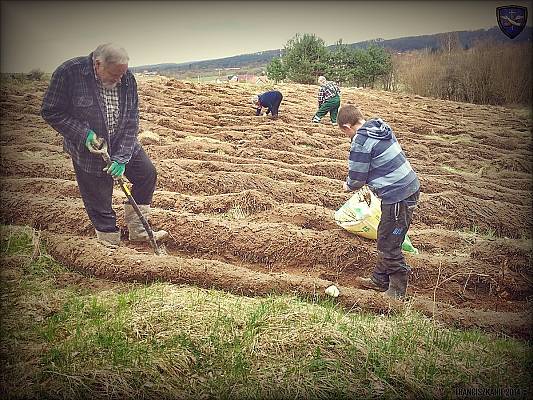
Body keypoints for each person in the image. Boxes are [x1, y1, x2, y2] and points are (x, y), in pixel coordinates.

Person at [41, 43, 168, 247]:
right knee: (99, 196)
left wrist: (121, 158)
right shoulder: (69, 73)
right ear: (98, 64)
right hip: (90, 149)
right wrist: (84, 134)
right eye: (114, 76)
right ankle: (110, 242)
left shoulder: (126, 78)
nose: (119, 80)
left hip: (122, 143)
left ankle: (139, 231)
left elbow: (131, 121)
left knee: (147, 174)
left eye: (122, 75)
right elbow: (51, 111)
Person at [337, 104, 420, 299]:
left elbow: (356, 179)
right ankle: (379, 279)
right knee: (386, 234)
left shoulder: (361, 140)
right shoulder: (379, 127)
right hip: (406, 186)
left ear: (347, 126)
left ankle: (397, 290)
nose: (346, 135)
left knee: (388, 243)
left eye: (344, 132)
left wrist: (347, 186)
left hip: (398, 194)